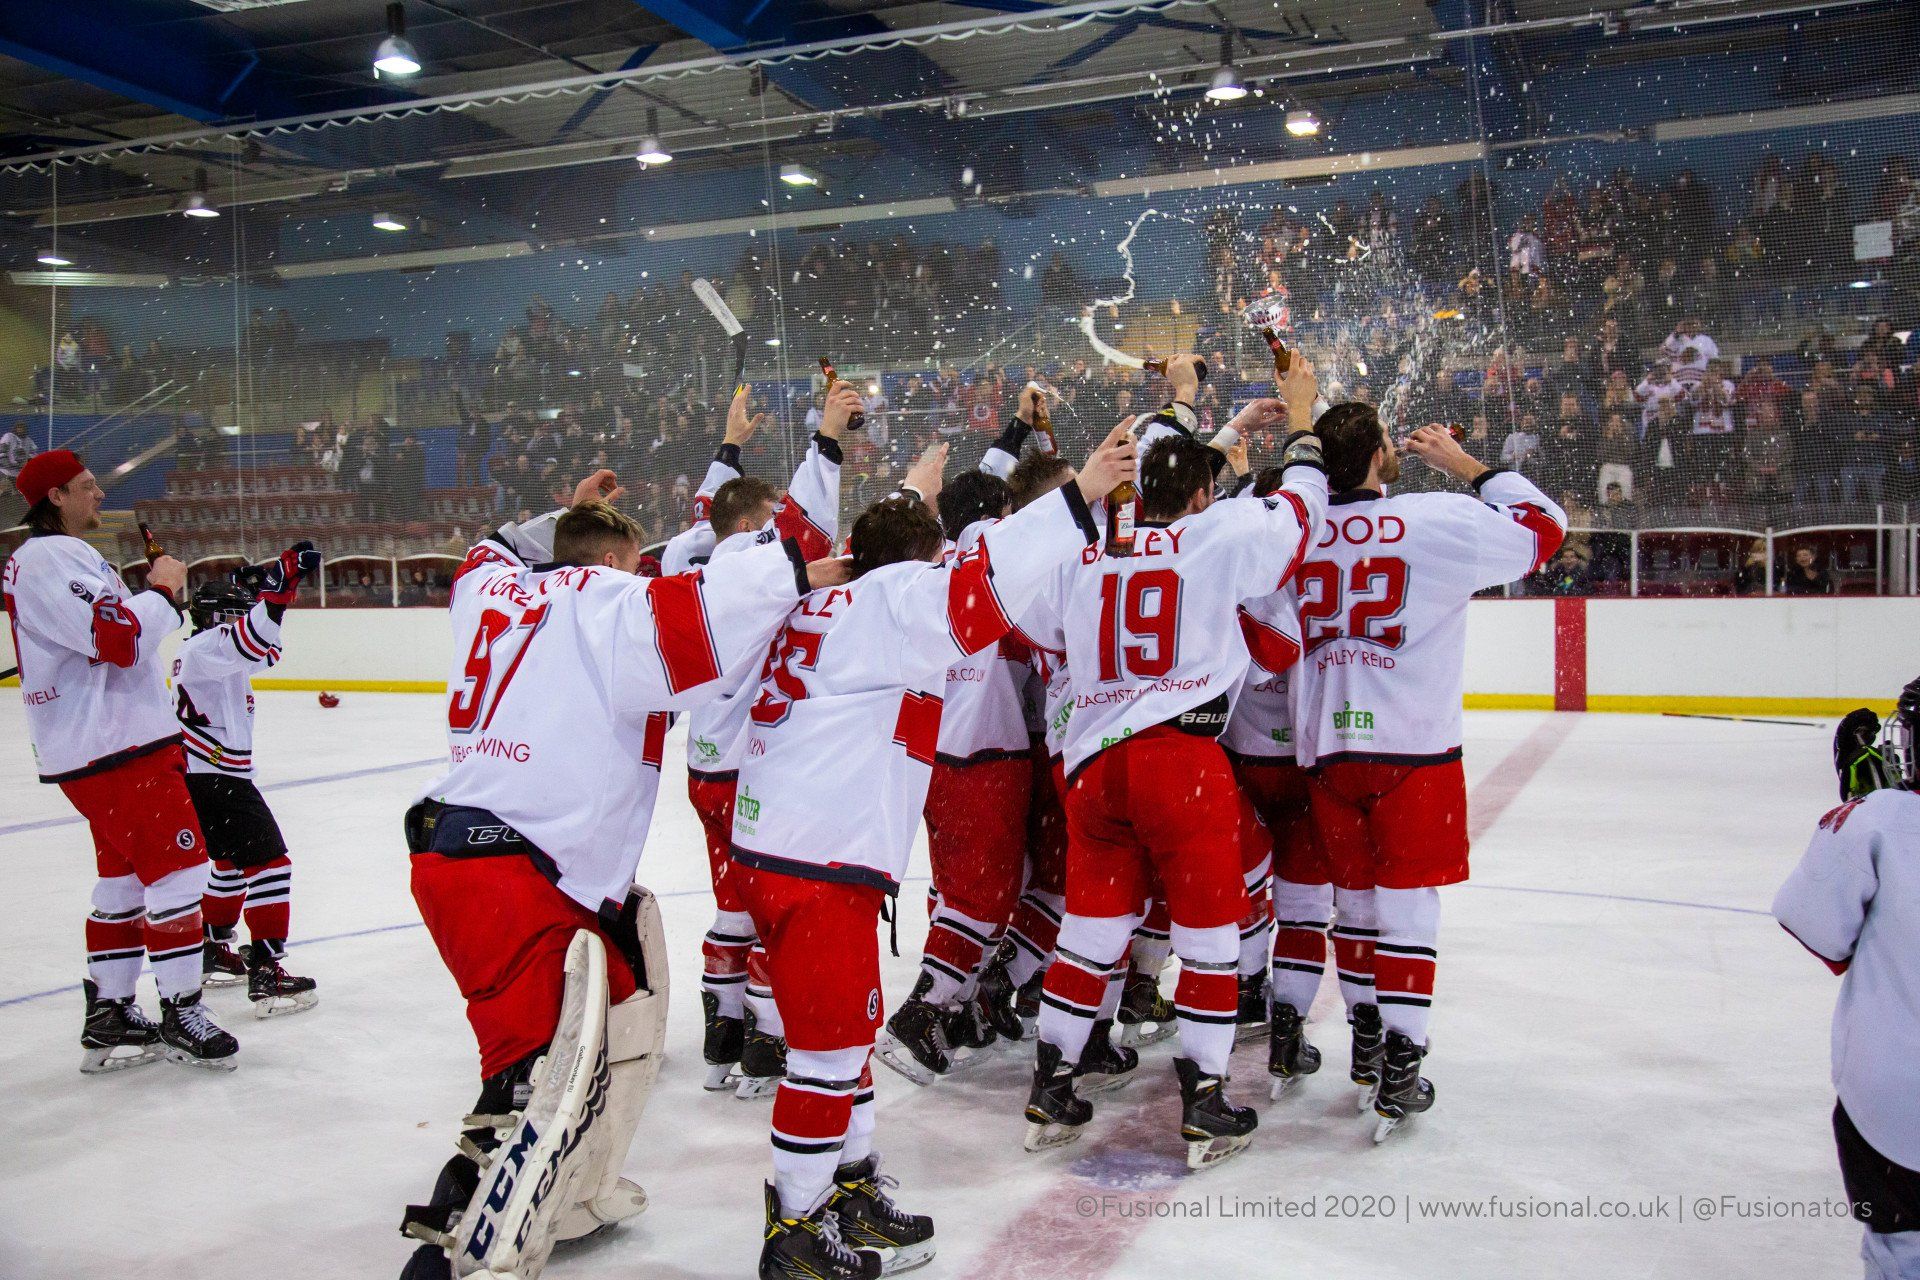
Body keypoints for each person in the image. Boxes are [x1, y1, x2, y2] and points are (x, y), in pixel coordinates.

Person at [397, 469, 849, 1280]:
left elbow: (488, 547)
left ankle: (571, 1189)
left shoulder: (490, 587)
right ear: (612, 562)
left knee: (619, 998)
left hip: (455, 851)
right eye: (636, 565)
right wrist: (793, 571)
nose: (643, 578)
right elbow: (706, 608)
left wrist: (568, 511)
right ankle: (451, 1253)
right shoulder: (608, 599)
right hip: (521, 874)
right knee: (531, 1089)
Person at [728, 425, 1132, 1280]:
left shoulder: (825, 600)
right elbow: (987, 580)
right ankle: (793, 1229)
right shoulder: (893, 600)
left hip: (780, 849)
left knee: (840, 1040)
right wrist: (1081, 494)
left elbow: (894, 555)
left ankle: (848, 1187)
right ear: (920, 562)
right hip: (817, 864)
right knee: (829, 1054)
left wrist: (912, 491)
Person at [1016, 352, 1329, 1171]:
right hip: (1179, 760)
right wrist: (1302, 423)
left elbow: (1040, 628)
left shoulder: (1088, 550)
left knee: (1089, 932)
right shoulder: (1215, 532)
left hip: (1093, 765)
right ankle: (1205, 1098)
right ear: (1198, 497)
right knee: (1210, 932)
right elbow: (1299, 518)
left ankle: (1052, 1083)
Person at [1286, 410, 1566, 1142]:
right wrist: (1466, 466)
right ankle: (1403, 1060)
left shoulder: (1296, 528)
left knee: (1355, 906)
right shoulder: (1434, 517)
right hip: (1414, 750)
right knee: (1408, 908)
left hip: (1327, 750)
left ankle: (1366, 1039)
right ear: (1379, 454)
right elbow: (1545, 529)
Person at [3, 449, 238, 1072]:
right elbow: (117, 639)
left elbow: (107, 632)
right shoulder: (49, 558)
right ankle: (183, 1010)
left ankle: (109, 1011)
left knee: (125, 881)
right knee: (181, 876)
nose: (100, 494)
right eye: (86, 486)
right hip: (117, 747)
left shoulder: (53, 558)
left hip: (100, 745)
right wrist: (162, 590)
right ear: (55, 496)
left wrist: (149, 598)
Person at [879, 390, 1057, 1083]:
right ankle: (926, 1011)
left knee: (962, 888)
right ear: (1003, 515)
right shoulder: (1003, 552)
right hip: (988, 750)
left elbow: (974, 497)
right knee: (989, 895)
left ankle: (967, 1001)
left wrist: (1013, 434)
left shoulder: (937, 558)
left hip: (933, 749)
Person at [682, 384, 854, 1098]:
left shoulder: (688, 561)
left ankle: (720, 1039)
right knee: (772, 909)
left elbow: (709, 513)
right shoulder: (758, 565)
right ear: (754, 526)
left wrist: (729, 447)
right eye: (769, 517)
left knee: (732, 905)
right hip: (752, 771)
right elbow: (806, 530)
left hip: (704, 768)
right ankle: (764, 1041)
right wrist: (829, 438)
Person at [1777, 689, 1920, 1280]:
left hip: (1899, 1111)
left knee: (1903, 1250)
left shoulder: (1879, 820)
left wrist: (1863, 808)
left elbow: (1819, 932)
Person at [174, 545, 323, 1015]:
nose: (243, 619)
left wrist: (266, 597)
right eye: (235, 613)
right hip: (218, 779)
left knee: (229, 865)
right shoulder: (206, 648)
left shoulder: (209, 651)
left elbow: (266, 651)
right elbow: (253, 642)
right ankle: (266, 969)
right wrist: (277, 592)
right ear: (216, 617)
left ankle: (212, 946)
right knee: (272, 865)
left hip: (203, 777)